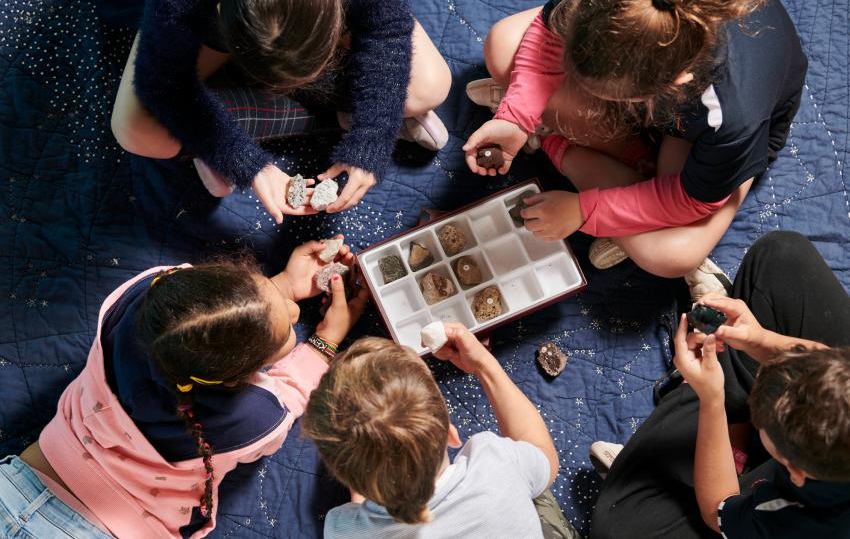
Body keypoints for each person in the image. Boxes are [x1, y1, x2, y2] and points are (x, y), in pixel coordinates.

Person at [463, 0, 807, 300]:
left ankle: (555, 142)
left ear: (670, 88)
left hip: (701, 143)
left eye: (609, 97)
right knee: (503, 45)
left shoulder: (732, 118)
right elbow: (547, 37)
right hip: (650, 78)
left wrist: (584, 210)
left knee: (669, 255)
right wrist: (516, 118)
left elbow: (689, 199)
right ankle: (599, 178)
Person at [0, 238, 369, 537]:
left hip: (23, 481)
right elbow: (291, 395)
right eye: (287, 332)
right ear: (234, 380)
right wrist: (325, 341)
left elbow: (193, 300)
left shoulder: (146, 294)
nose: (294, 312)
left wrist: (279, 286)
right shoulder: (254, 421)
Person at [98, 0, 452, 222]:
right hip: (201, 6)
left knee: (431, 85)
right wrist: (247, 164)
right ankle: (212, 131)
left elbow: (387, 28)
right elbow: (163, 85)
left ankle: (207, 130)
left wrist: (373, 136)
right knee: (136, 131)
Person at [589, 231, 850, 538]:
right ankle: (718, 411)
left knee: (620, 529)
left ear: (795, 472)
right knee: (781, 255)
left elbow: (719, 509)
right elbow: (826, 359)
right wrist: (759, 339)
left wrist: (712, 400)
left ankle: (707, 410)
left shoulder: (797, 523)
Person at [302, 328, 581, 538]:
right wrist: (484, 364)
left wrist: (368, 469)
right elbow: (546, 459)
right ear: (451, 434)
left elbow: (361, 507)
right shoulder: (496, 462)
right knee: (531, 476)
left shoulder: (347, 530)